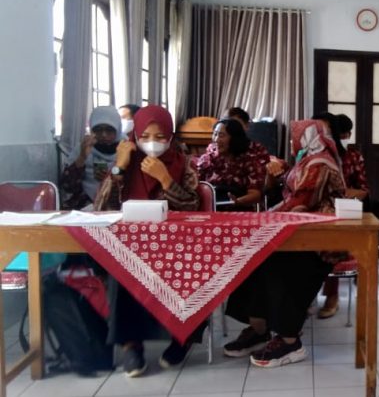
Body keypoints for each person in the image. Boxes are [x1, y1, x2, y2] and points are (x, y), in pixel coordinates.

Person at [223, 119, 346, 368]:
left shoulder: (320, 163)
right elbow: (287, 193)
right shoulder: (307, 160)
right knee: (252, 259)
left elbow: (300, 201)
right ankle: (259, 329)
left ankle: (290, 341)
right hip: (298, 234)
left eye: (296, 136)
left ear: (308, 137)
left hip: (319, 243)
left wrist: (265, 217)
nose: (292, 141)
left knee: (274, 265)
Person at [94, 105, 201, 377]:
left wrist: (165, 179)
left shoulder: (184, 163)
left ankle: (182, 337)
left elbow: (193, 206)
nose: (153, 142)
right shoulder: (125, 160)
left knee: (194, 269)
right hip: (131, 243)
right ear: (136, 135)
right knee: (120, 269)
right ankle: (131, 345)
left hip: (176, 244)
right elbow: (101, 207)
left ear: (170, 135)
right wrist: (119, 167)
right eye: (146, 135)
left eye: (160, 135)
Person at [317, 113, 379, 319]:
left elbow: (363, 189)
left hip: (342, 209)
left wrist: (344, 192)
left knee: (332, 240)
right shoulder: (312, 154)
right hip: (314, 209)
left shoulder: (351, 156)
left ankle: (332, 295)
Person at [60, 106, 122, 210]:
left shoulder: (125, 147)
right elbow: (67, 186)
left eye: (109, 129)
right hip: (84, 206)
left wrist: (110, 178)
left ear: (118, 129)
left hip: (118, 205)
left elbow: (132, 181)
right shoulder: (84, 147)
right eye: (98, 130)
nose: (103, 134)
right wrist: (82, 157)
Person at [197, 118, 266, 209]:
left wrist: (238, 202)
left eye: (221, 135)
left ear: (234, 138)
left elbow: (255, 194)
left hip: (239, 209)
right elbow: (196, 187)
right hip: (210, 209)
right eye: (215, 134)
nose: (216, 139)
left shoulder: (249, 160)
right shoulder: (206, 159)